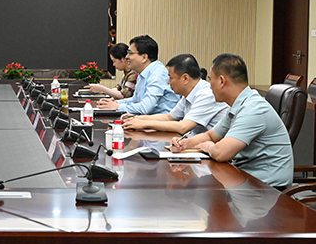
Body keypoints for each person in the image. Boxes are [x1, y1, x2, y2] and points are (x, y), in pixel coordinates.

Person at [171, 54, 293, 189]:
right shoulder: (239, 105)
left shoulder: (253, 109)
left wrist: (208, 147)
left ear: (222, 81)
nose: (209, 86)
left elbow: (220, 153)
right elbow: (211, 136)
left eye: (211, 80)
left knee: (203, 192)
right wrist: (185, 143)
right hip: (246, 179)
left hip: (268, 188)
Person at [122, 54, 228, 136]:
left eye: (171, 78)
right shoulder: (189, 94)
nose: (168, 82)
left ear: (185, 78)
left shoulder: (206, 94)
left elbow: (183, 127)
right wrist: (136, 118)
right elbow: (169, 117)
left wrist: (143, 124)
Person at [97, 35, 178, 114]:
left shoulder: (158, 73)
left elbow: (145, 108)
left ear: (144, 58)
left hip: (162, 120)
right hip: (147, 119)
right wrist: (115, 103)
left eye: (130, 53)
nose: (127, 57)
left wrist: (118, 106)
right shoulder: (142, 72)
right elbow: (135, 100)